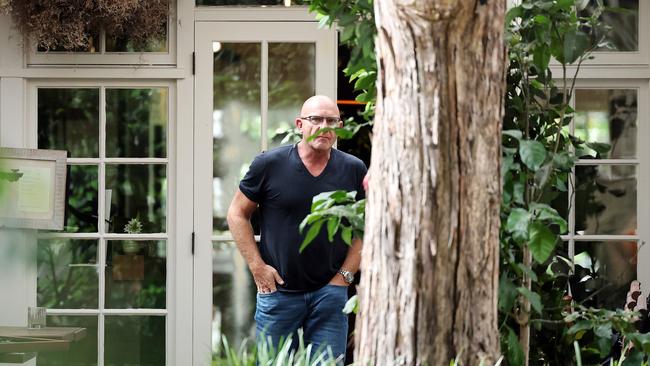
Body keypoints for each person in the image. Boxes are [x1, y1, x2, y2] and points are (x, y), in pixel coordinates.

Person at [227, 95, 367, 361]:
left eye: (331, 120)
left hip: (330, 294)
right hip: (278, 294)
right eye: (316, 119)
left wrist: (345, 277)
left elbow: (363, 226)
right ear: (300, 124)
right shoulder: (269, 164)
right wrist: (258, 268)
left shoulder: (353, 169)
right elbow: (236, 214)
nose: (324, 126)